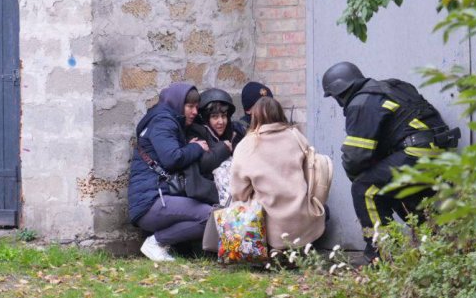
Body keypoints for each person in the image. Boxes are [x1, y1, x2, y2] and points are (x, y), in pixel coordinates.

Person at [321, 62, 461, 262]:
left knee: (364, 188)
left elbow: (355, 158)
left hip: (416, 153)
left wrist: (359, 174)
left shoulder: (361, 103)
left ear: (339, 92)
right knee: (388, 186)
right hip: (439, 153)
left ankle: (382, 255)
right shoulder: (393, 86)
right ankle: (437, 250)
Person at [127, 82, 213, 262]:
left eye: (197, 107)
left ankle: (161, 243)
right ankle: (156, 242)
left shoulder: (167, 120)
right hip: (151, 202)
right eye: (190, 106)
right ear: (177, 104)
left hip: (156, 198)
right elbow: (172, 158)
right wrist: (196, 148)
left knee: (211, 214)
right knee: (210, 217)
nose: (195, 111)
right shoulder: (163, 122)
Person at [229, 97, 326, 251]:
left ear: (255, 117)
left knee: (239, 204)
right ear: (280, 114)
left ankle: (270, 250)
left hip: (268, 229)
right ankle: (296, 249)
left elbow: (238, 193)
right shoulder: (296, 136)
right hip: (302, 219)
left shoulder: (247, 144)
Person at [188, 88, 238, 204]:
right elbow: (203, 163)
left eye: (224, 116)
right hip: (210, 197)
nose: (221, 121)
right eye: (215, 117)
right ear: (206, 118)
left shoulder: (234, 132)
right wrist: (224, 148)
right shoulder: (196, 133)